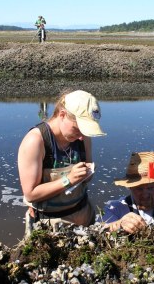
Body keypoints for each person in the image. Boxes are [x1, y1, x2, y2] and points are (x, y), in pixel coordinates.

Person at [18, 90, 106, 238]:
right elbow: (31, 194)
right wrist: (68, 180)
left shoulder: (82, 137)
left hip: (84, 215)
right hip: (49, 226)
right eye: (77, 128)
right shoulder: (36, 141)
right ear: (62, 114)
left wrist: (86, 173)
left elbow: (87, 178)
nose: (80, 136)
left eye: (84, 130)